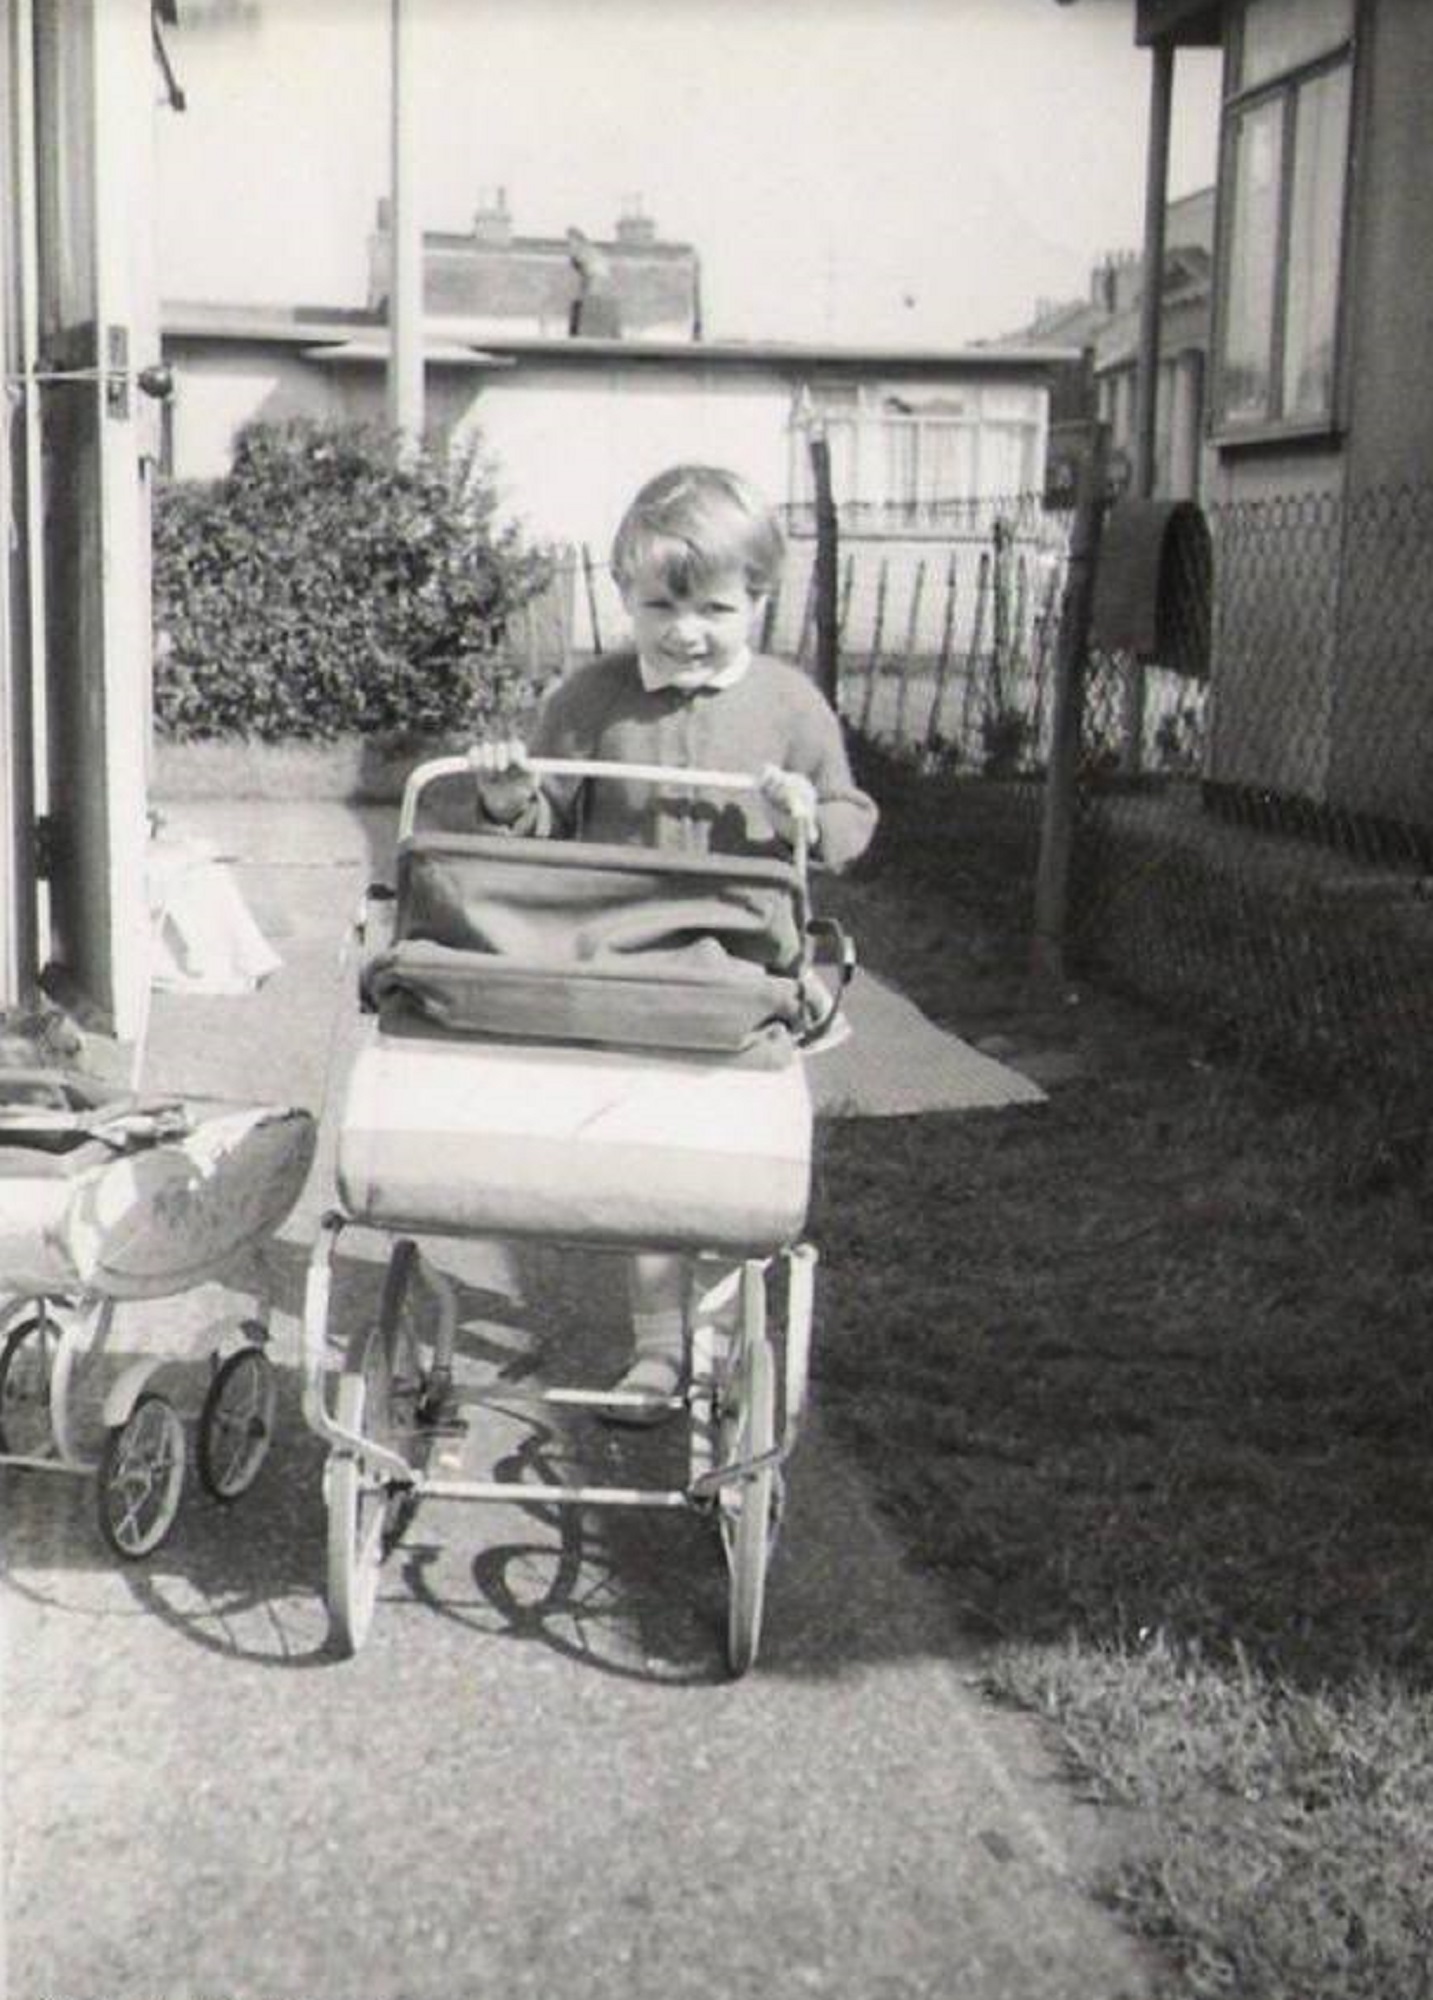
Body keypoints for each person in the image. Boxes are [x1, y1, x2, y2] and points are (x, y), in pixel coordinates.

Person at [470, 463, 877, 1420]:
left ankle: (724, 1328)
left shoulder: (787, 703)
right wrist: (507, 799)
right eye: (658, 606)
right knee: (651, 1164)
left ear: (759, 602)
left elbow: (851, 825)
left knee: (737, 1170)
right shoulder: (591, 698)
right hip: (627, 967)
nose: (684, 632)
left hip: (747, 975)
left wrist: (803, 816)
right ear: (623, 596)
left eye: (715, 609)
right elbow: (544, 827)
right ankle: (658, 1348)